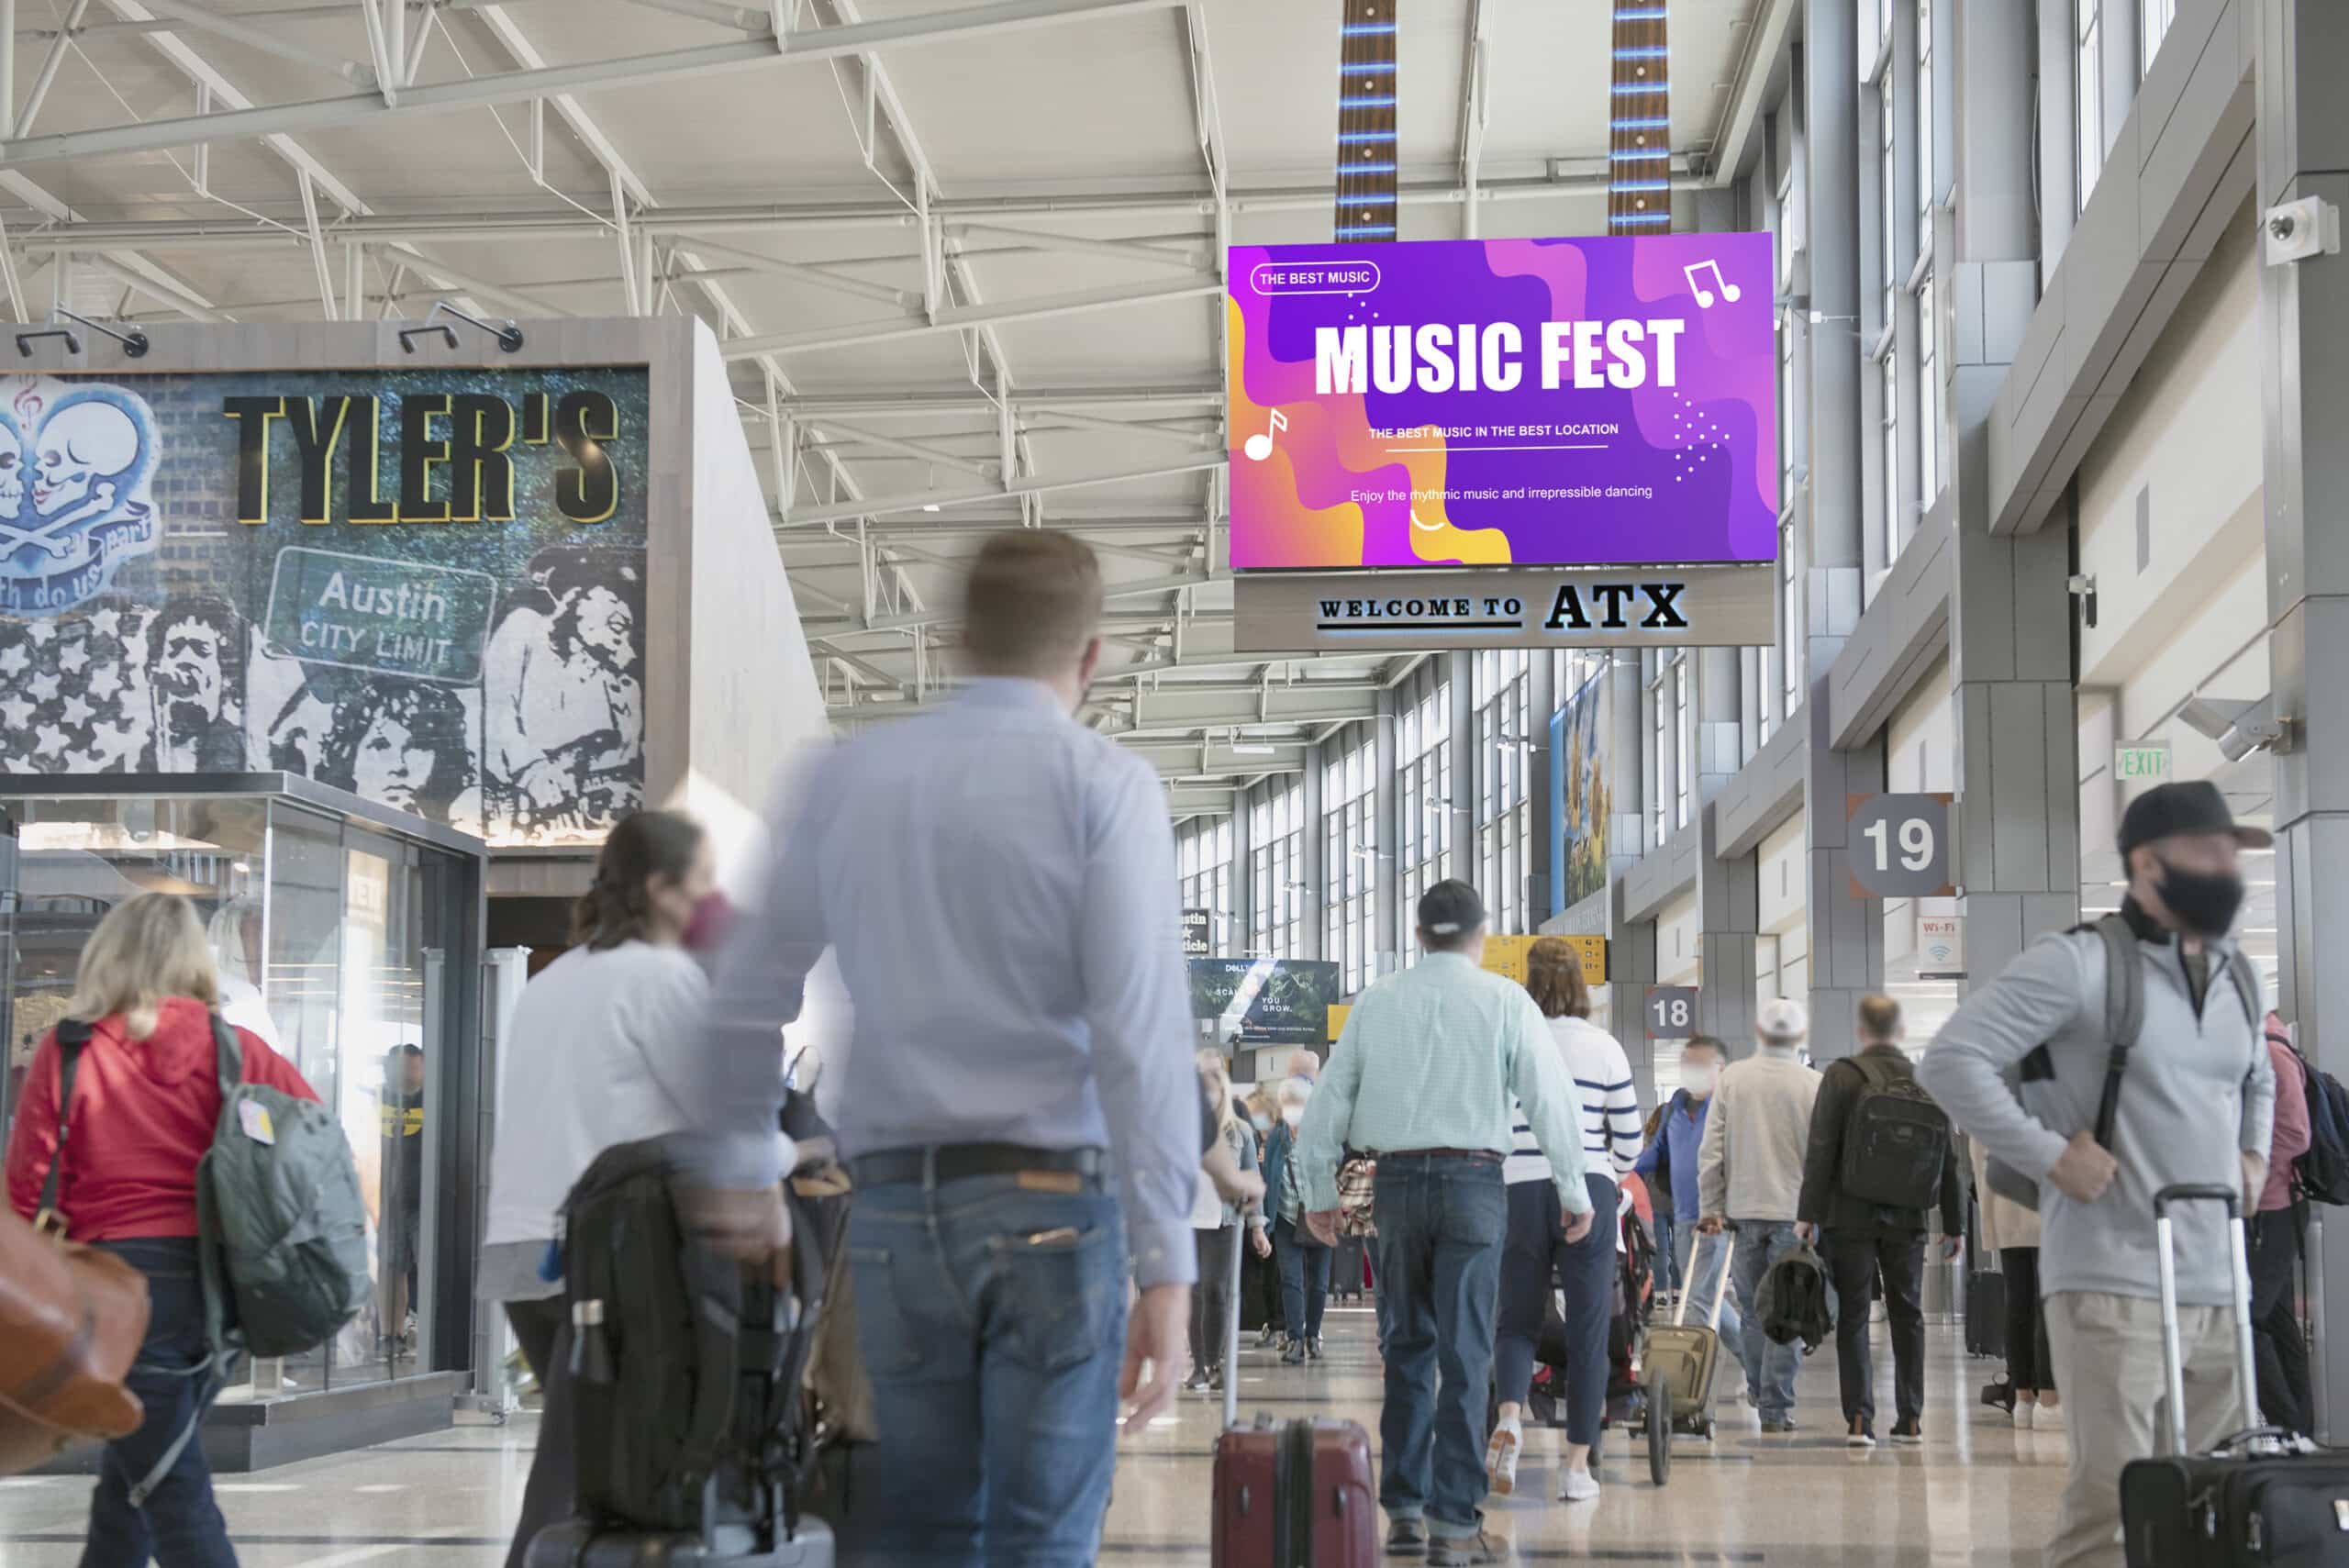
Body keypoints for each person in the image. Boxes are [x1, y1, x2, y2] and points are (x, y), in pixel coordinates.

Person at [696, 529, 1202, 1568]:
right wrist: (1167, 1259)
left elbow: (744, 984)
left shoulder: (846, 776)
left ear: (954, 638)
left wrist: (741, 1164)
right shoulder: (1105, 785)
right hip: (1057, 1205)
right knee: (1042, 1539)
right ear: (1092, 655)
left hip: (891, 1213)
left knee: (917, 1532)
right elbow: (1138, 1036)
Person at [1917, 779, 2275, 1568]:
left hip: (2220, 1278)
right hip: (2113, 1276)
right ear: (2148, 861)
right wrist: (2048, 1155)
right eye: (2208, 850)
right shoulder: (2079, 963)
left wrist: (2252, 1151)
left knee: (2227, 1499)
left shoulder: (2238, 975)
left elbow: (2259, 1076)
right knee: (2113, 1500)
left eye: (2232, 853)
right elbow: (1950, 1058)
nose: (2226, 867)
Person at [4, 892, 321, 1568]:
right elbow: (314, 1144)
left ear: (106, 955)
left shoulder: (69, 1052)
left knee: (170, 1487)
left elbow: (26, 1189)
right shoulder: (242, 1051)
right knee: (136, 1478)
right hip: (223, 1289)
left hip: (113, 1291)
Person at [1294, 880, 1593, 1568]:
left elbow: (1327, 1107)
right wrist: (1573, 1191)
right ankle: (1454, 1523)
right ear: (1479, 935)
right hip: (1474, 1184)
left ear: (1420, 934)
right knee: (1466, 1355)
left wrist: (1317, 1191)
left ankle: (1401, 1509)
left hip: (1395, 1185)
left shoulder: (1376, 1002)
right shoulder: (1504, 1000)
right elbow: (1550, 1101)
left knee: (1405, 1347)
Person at [477, 809, 715, 1568]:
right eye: (702, 883)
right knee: (581, 1464)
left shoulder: (555, 981)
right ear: (660, 888)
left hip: (522, 1248)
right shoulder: (660, 976)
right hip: (607, 1254)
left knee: (596, 1454)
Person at [1486, 938, 1642, 1504]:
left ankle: (1509, 1416)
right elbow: (1628, 1138)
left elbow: (1492, 1121)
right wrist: (1611, 1172)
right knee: (1590, 1329)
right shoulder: (1604, 1047)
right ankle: (1578, 1468)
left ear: (1528, 984)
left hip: (1518, 1186)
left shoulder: (1510, 1042)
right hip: (1591, 1187)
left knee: (1516, 1317)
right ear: (1582, 986)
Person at [1793, 994, 1965, 1448]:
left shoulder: (1842, 1075)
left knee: (1853, 1314)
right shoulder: (1927, 1078)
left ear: (1862, 1032)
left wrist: (1807, 1215)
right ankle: (1910, 1418)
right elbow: (1948, 1158)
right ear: (1901, 1032)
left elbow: (1822, 1149)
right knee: (1908, 1312)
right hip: (1908, 1216)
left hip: (1848, 1214)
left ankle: (1859, 1420)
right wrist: (1955, 1222)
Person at [1698, 996, 1820, 1433]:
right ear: (1800, 1035)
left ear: (1759, 1031)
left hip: (1741, 1212)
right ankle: (1775, 1407)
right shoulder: (1813, 1084)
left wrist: (1711, 1207)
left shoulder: (1733, 1080)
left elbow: (1710, 1150)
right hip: (1795, 1215)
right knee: (1787, 1312)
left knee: (1751, 1310)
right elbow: (1822, 1158)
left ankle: (1758, 1387)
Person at [1633, 1036, 1744, 1361]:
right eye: (1688, 1063)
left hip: (1716, 1218)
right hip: (1684, 1219)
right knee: (1705, 1298)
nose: (1691, 1070)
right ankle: (1756, 1367)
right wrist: (1620, 1173)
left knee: (1696, 1299)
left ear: (1721, 1069)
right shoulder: (1674, 1109)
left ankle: (1686, 1378)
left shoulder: (1731, 1109)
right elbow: (1654, 1155)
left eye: (1700, 1063)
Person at [1186, 1050, 1264, 1394]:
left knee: (1215, 1290)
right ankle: (1199, 1366)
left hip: (1224, 1222)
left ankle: (1215, 1362)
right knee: (1194, 1292)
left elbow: (1252, 1178)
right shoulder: (1181, 1127)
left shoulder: (1241, 1131)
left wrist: (1258, 1228)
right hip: (1187, 1220)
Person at [1970, 1136, 2060, 1431]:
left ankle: (2023, 1398)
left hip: (2002, 1198)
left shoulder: (1988, 1090)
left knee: (2017, 1298)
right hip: (2043, 1196)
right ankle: (2049, 1400)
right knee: (2047, 1300)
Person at [2251, 1012, 2313, 1433]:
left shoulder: (2272, 1053)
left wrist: (2251, 1168)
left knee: (2246, 1319)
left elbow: (2296, 1133)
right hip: (2267, 1206)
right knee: (2276, 1320)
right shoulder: (2264, 1047)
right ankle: (2300, 1432)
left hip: (2275, 1206)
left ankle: (2284, 1426)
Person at [1263, 1073, 1331, 1362]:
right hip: (1286, 1216)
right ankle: (1294, 1338)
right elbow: (1268, 1174)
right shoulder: (1277, 1136)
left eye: (1296, 1102)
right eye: (1287, 1102)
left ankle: (1313, 1334)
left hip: (1321, 1215)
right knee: (1291, 1280)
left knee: (1319, 1283)